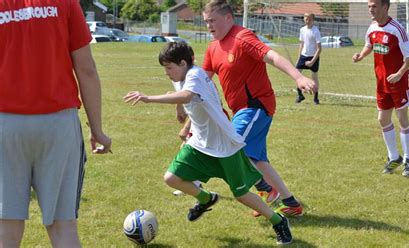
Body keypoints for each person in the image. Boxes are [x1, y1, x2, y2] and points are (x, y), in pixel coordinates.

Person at [123, 41, 293, 245]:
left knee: (241, 194)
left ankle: (278, 220)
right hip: (200, 143)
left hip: (224, 145)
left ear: (183, 63)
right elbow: (182, 95)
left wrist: (148, 98)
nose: (167, 73)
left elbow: (187, 95)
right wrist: (179, 109)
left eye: (169, 68)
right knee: (171, 178)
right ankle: (206, 198)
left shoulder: (195, 74)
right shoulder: (181, 75)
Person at [0, 1, 112, 247]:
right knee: (63, 227)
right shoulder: (65, 3)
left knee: (6, 226)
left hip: (5, 124)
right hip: (58, 125)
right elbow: (86, 69)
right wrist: (97, 130)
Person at [201, 0, 316, 217]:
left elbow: (272, 56)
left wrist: (299, 76)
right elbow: (202, 85)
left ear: (228, 18)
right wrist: (187, 118)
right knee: (258, 160)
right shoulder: (212, 48)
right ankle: (290, 203)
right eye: (206, 22)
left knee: (230, 147)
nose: (209, 26)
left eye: (213, 21)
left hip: (256, 106)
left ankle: (264, 189)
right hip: (241, 111)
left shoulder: (242, 37)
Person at [352, 0, 409, 177]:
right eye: (369, 7)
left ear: (385, 7)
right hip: (381, 83)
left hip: (399, 82)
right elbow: (369, 45)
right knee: (382, 119)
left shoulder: (397, 29)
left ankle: (408, 160)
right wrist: (361, 55)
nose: (370, 10)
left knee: (402, 118)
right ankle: (394, 156)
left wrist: (399, 73)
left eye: (374, 6)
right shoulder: (372, 27)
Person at [295, 13, 322, 104]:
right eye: (306, 19)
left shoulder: (316, 31)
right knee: (296, 75)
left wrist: (312, 61)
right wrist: (298, 58)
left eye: (309, 19)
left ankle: (316, 98)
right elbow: (301, 45)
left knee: (314, 77)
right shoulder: (302, 30)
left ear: (313, 20)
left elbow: (319, 49)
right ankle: (300, 95)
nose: (307, 20)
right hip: (303, 56)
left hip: (313, 56)